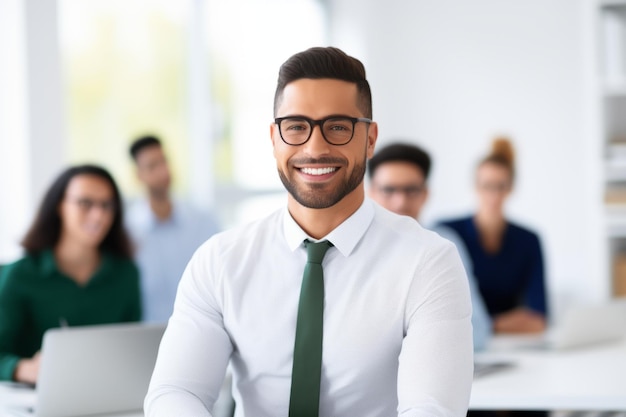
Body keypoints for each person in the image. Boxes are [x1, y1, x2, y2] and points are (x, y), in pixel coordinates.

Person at [145, 47, 473, 417]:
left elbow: (432, 409)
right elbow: (176, 391)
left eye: (337, 127)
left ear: (369, 139)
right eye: (297, 126)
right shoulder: (219, 262)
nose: (315, 148)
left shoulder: (427, 262)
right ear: (273, 138)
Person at [0, 164, 141, 384]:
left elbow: (134, 351)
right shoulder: (19, 275)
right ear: (59, 205)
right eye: (85, 203)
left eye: (107, 205)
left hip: (106, 398)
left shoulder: (126, 274)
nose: (99, 215)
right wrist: (24, 369)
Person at [367, 142, 492, 350]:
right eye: (388, 190)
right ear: (370, 193)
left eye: (411, 190)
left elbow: (477, 328)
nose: (400, 202)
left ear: (425, 194)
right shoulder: (352, 245)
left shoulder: (445, 244)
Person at [439, 137, 548, 334]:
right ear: (475, 187)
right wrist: (499, 324)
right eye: (487, 186)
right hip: (461, 341)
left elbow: (538, 318)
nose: (494, 195)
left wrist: (483, 326)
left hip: (510, 344)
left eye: (501, 186)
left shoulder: (529, 240)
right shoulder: (448, 233)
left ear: (511, 188)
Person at [126, 135, 220, 323]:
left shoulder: (203, 222)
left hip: (201, 332)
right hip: (146, 339)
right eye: (152, 166)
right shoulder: (128, 232)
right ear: (138, 175)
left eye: (164, 161)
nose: (163, 171)